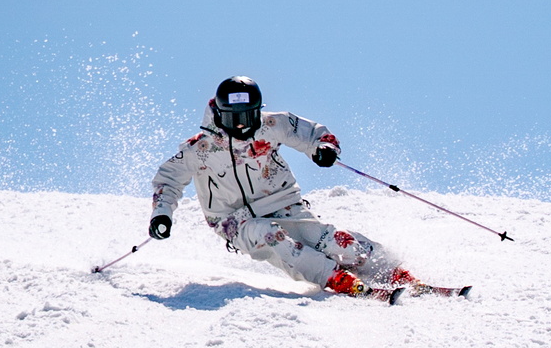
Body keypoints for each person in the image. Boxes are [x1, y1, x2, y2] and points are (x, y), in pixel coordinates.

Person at [147, 76, 415, 297]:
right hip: (233, 219)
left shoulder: (273, 125)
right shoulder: (200, 148)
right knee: (270, 235)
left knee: (329, 239)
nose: (241, 125)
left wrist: (324, 148)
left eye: (248, 116)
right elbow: (168, 179)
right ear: (219, 114)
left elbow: (313, 134)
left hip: (282, 202)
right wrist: (162, 214)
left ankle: (390, 270)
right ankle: (334, 277)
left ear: (259, 111)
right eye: (232, 119)